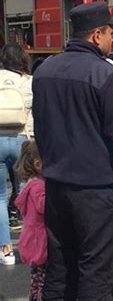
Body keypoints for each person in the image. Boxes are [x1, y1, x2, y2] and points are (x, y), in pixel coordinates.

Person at [32, 1, 113, 300]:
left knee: (59, 269)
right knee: (96, 271)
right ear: (97, 35)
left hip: (57, 186)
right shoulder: (107, 74)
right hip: (95, 189)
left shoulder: (45, 70)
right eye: (111, 32)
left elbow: (41, 128)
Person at [0, 43, 34, 265]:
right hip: (23, 140)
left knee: (0, 197)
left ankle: (6, 250)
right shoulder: (30, 82)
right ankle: (31, 246)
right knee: (27, 195)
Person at [14, 140, 46, 301]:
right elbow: (44, 206)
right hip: (40, 242)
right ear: (38, 164)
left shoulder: (30, 183)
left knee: (36, 278)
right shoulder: (38, 186)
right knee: (42, 280)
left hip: (33, 239)